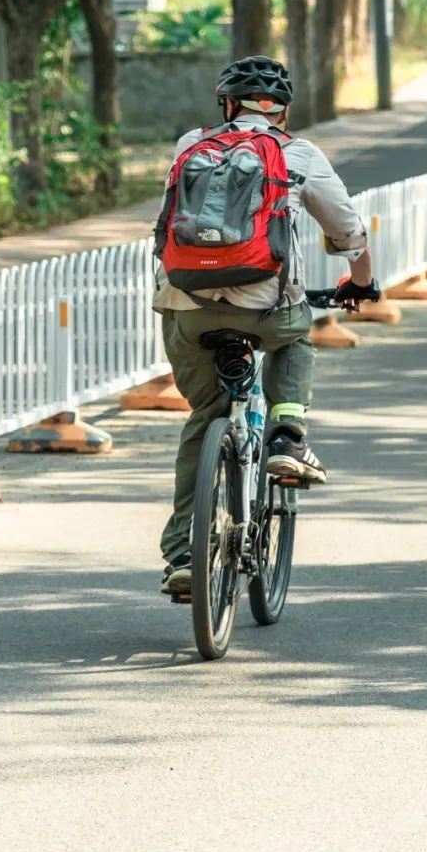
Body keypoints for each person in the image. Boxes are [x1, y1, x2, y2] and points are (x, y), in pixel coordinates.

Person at [153, 55, 376, 596]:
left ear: (227, 104)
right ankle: (286, 436)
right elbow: (348, 231)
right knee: (296, 335)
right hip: (266, 308)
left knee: (206, 414)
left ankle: (184, 554)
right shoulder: (299, 153)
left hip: (187, 307)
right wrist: (361, 283)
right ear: (282, 111)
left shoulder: (190, 145)